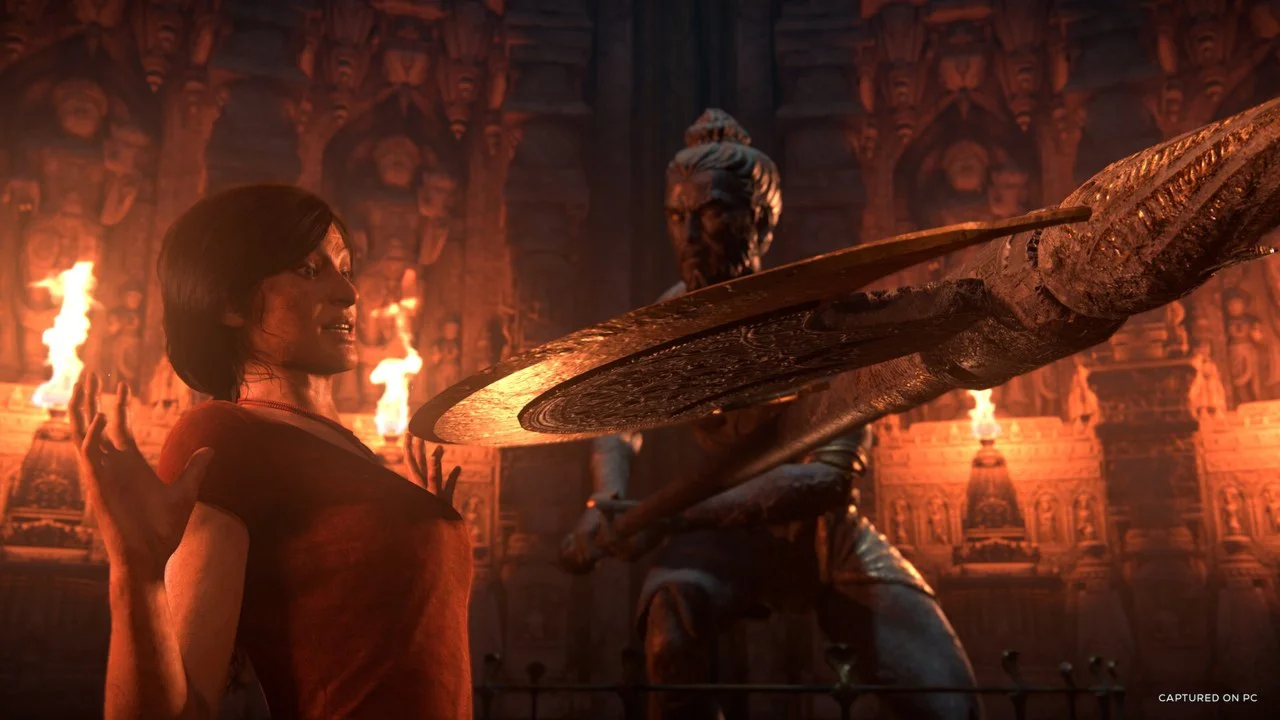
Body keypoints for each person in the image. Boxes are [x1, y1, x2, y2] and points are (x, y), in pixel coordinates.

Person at [560, 110, 980, 720]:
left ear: (759, 220)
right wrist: (607, 500)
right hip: (724, 540)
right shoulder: (670, 320)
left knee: (950, 703)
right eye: (676, 217)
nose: (690, 237)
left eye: (711, 214)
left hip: (825, 539)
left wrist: (665, 517)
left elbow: (826, 479)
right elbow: (619, 416)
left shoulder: (821, 317)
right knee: (668, 635)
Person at [70, 184, 473, 719]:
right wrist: (137, 571)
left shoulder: (351, 449)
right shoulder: (223, 437)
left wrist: (412, 521)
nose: (349, 293)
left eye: (345, 269)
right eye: (309, 270)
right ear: (230, 302)